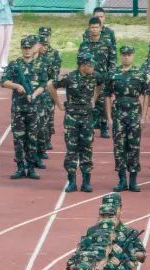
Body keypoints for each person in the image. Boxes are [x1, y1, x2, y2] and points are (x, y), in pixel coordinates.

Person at [48, 52, 101, 193]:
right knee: (71, 149)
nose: (92, 67)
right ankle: (71, 181)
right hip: (72, 118)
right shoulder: (70, 77)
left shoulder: (95, 76)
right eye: (90, 65)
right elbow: (51, 85)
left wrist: (94, 98)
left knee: (87, 148)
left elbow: (100, 85)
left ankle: (86, 182)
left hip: (87, 118)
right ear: (82, 66)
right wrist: (59, 104)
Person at [0, 36, 48, 180]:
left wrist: (34, 94)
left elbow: (43, 84)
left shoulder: (40, 64)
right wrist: (17, 86)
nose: (27, 51)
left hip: (34, 108)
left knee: (32, 138)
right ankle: (20, 167)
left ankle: (31, 167)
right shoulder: (15, 64)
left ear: (34, 48)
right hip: (19, 108)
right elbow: (3, 81)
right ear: (21, 49)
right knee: (19, 138)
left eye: (29, 48)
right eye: (24, 48)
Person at [105, 45, 146, 192]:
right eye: (124, 55)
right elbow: (107, 96)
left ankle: (133, 181)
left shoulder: (139, 74)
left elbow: (146, 95)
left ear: (133, 56)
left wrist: (143, 116)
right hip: (118, 113)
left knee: (134, 147)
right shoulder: (113, 73)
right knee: (119, 147)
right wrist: (109, 117)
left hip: (134, 113)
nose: (126, 57)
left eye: (129, 54)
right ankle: (122, 180)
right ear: (120, 56)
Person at [79, 17, 116, 139]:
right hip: (88, 79)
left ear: (100, 28)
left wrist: (109, 76)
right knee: (88, 102)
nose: (94, 29)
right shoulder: (84, 45)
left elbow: (112, 61)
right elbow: (80, 62)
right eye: (92, 27)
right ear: (89, 28)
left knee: (103, 102)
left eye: (96, 27)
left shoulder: (107, 44)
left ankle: (104, 127)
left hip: (103, 78)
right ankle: (89, 127)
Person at [36, 27, 61, 162]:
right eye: (42, 35)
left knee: (48, 117)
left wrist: (49, 88)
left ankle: (47, 140)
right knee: (38, 120)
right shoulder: (34, 54)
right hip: (37, 92)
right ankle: (39, 145)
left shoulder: (54, 54)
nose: (44, 38)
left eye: (46, 35)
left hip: (48, 90)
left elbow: (54, 75)